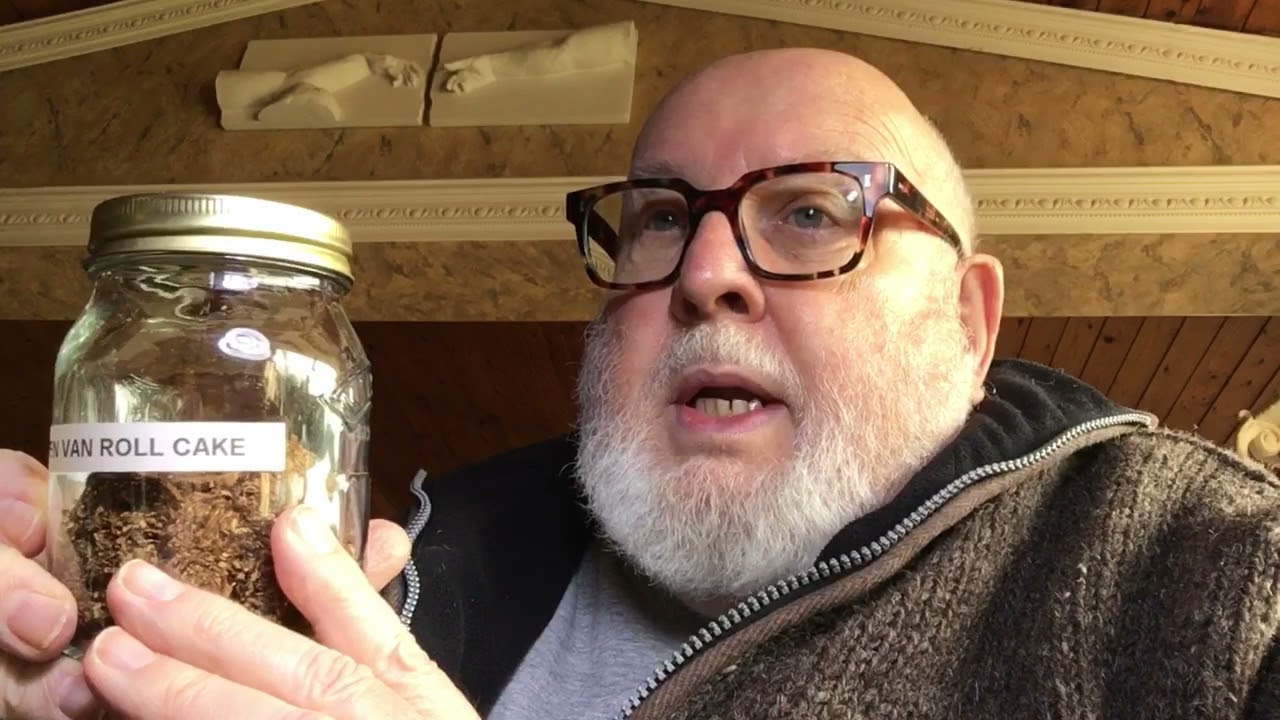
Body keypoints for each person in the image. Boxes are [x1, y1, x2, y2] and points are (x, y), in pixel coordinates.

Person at [2, 47, 1278, 720]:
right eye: (661, 218)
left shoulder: (1212, 577)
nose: (706, 273)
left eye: (809, 212)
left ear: (966, 317)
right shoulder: (411, 560)